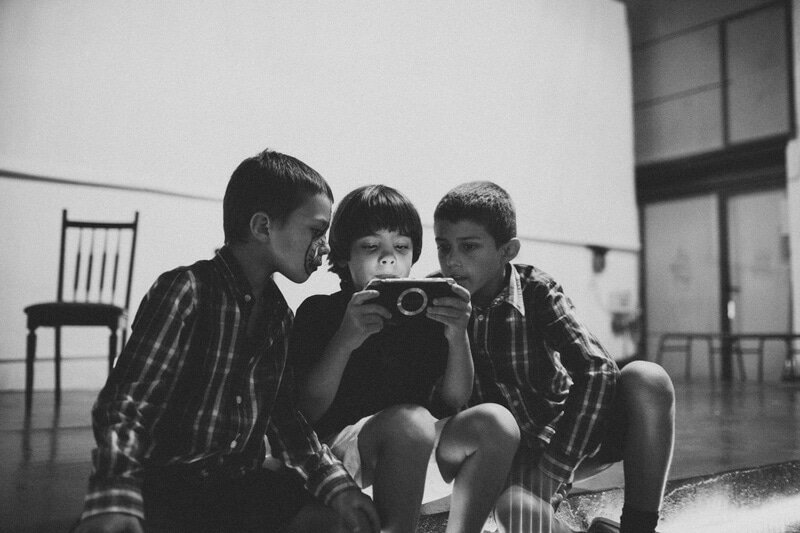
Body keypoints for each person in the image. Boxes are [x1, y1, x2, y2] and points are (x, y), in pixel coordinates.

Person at [74, 149, 379, 533]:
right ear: (263, 227)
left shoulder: (279, 316)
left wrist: (337, 487)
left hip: (239, 485)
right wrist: (115, 495)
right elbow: (127, 405)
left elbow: (285, 419)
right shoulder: (187, 290)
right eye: (316, 231)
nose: (325, 247)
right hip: (167, 486)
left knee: (336, 521)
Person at [432, 182, 675, 533]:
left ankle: (639, 527)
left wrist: (553, 470)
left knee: (648, 379)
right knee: (514, 510)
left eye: (469, 247)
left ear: (507, 251)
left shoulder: (536, 290)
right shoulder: (435, 300)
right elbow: (438, 403)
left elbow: (598, 369)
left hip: (565, 435)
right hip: (501, 456)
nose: (452, 261)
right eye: (443, 247)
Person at [289, 185, 520, 533]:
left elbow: (454, 400)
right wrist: (345, 340)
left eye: (401, 247)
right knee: (410, 422)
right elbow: (307, 411)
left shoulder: (424, 315)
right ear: (344, 256)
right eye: (371, 247)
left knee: (496, 422)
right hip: (341, 456)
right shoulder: (320, 311)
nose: (388, 259)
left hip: (416, 449)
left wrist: (458, 334)